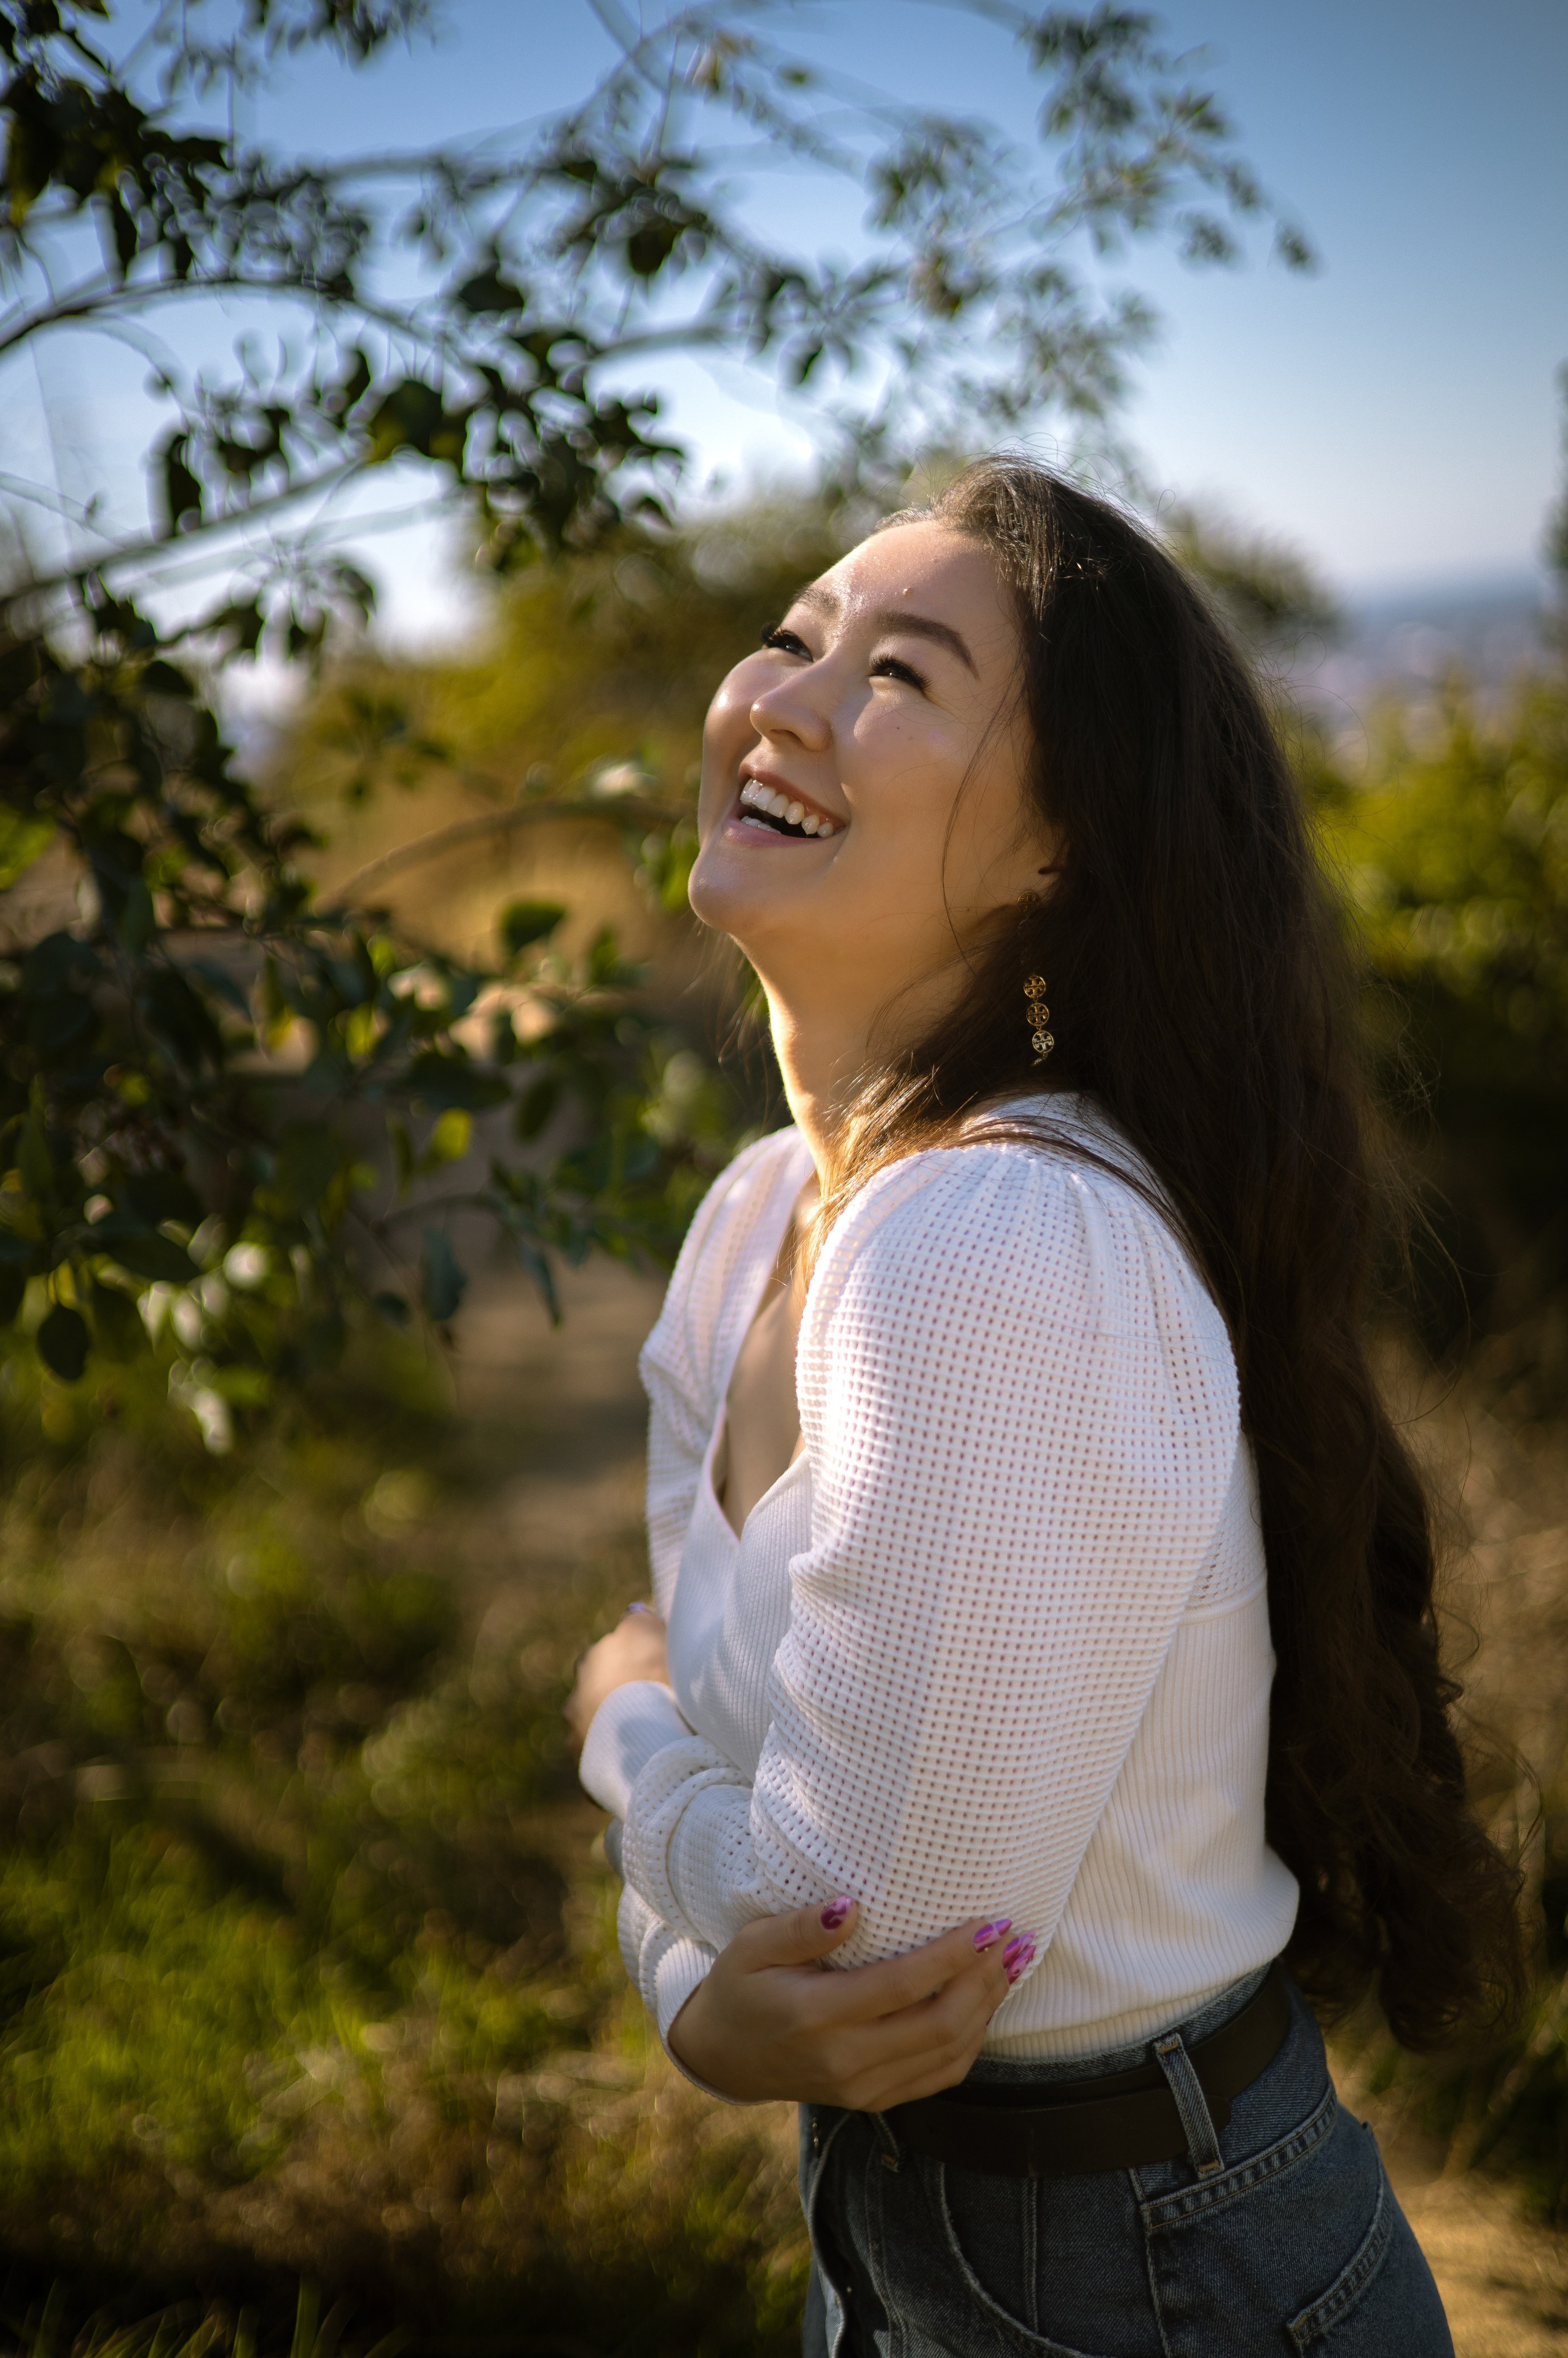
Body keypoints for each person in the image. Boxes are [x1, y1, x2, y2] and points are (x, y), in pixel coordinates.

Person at [565, 460, 1520, 2356]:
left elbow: (864, 1931)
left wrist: (615, 1733)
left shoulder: (991, 1244)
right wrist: (691, 1981)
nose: (791, 699)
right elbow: (777, 1951)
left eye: (903, 678)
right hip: (916, 2233)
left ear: (1063, 852)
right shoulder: (759, 1217)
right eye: (794, 636)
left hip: (1150, 2264)